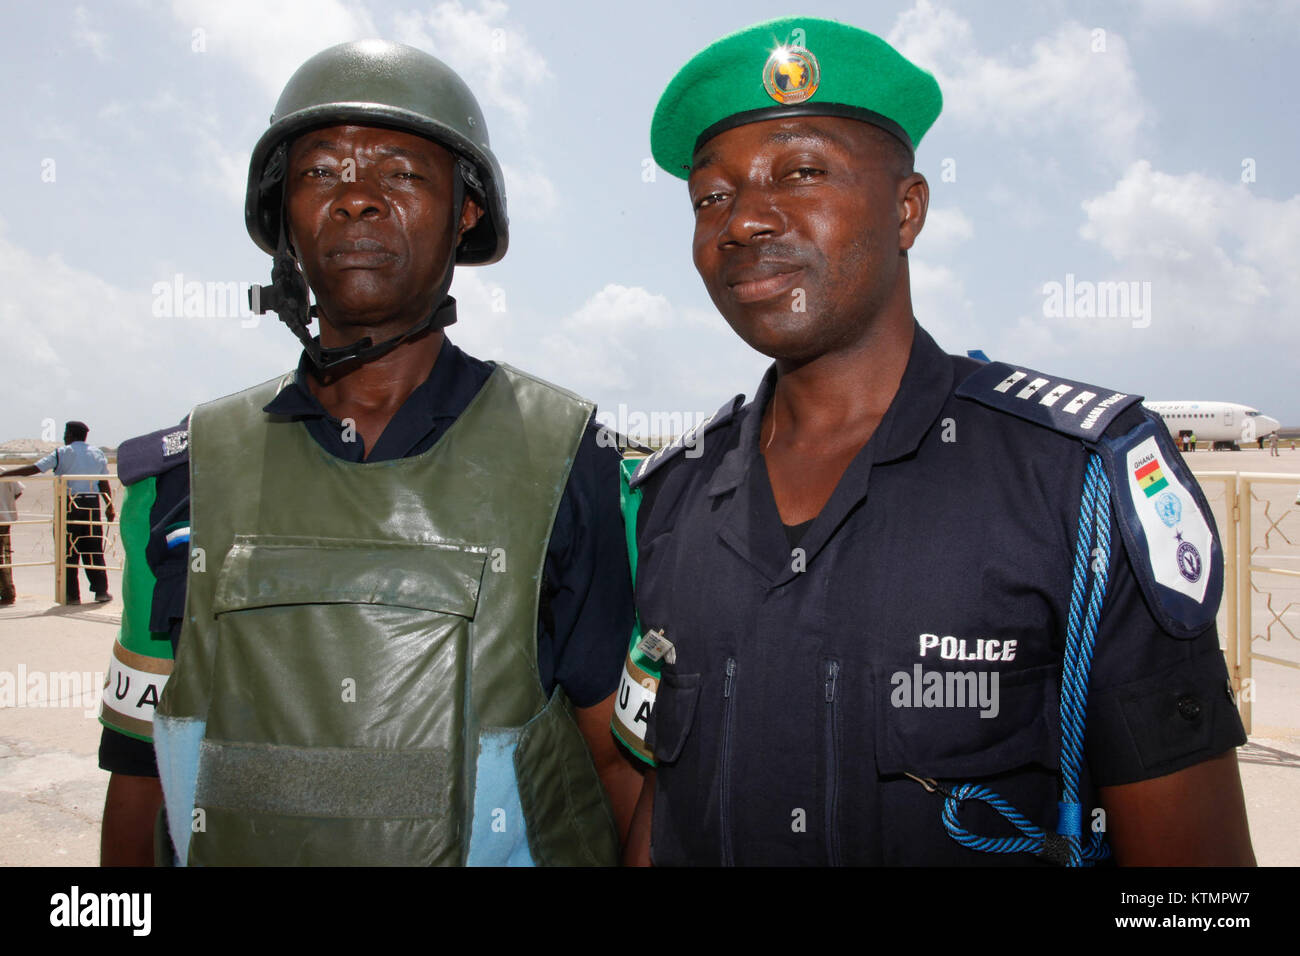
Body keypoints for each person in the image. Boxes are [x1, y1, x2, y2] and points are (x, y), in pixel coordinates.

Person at [617, 17, 1254, 866]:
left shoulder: (1076, 484)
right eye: (712, 198)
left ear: (908, 208)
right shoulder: (669, 499)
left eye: (801, 172)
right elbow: (663, 814)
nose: (744, 222)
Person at [98, 40, 639, 866]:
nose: (357, 200)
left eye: (400, 174)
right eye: (321, 174)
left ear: (465, 211)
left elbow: (621, 766)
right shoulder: (176, 483)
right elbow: (140, 776)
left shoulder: (574, 465)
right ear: (284, 219)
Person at [1, 421, 114, 604]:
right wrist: (109, 505)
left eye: (65, 433)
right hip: (92, 505)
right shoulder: (97, 453)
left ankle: (72, 595)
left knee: (68, 550)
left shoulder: (63, 452)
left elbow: (35, 469)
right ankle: (101, 591)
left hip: (69, 504)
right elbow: (103, 482)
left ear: (70, 434)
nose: (63, 437)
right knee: (93, 548)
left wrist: (4, 475)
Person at [0, 477, 23, 605]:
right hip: (5, 517)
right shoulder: (3, 471)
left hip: (3, 517)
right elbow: (18, 491)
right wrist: (6, 503)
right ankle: (7, 592)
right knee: (2, 556)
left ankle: (7, 592)